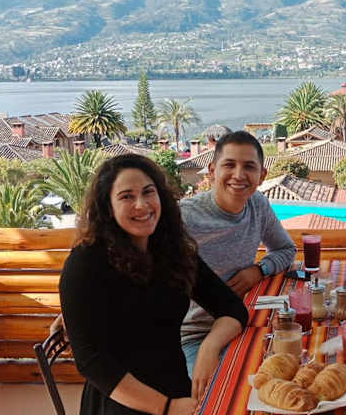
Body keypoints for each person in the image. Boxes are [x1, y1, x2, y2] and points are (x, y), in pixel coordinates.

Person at [59, 154, 248, 415]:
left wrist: (210, 346)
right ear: (108, 208)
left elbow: (231, 306)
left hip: (177, 387)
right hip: (123, 401)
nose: (142, 204)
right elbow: (91, 362)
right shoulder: (86, 262)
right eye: (126, 196)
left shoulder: (172, 251)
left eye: (149, 192)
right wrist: (166, 408)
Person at [179, 130, 296, 376]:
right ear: (212, 171)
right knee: (211, 394)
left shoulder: (257, 205)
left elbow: (286, 249)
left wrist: (259, 270)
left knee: (295, 368)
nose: (239, 175)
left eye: (249, 167)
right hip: (195, 335)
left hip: (244, 322)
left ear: (262, 176)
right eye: (229, 165)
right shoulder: (184, 217)